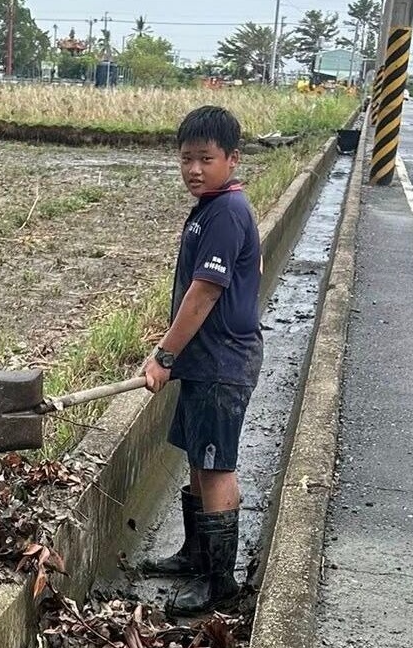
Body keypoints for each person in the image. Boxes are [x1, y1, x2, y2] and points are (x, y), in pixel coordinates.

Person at [140, 105, 263, 615]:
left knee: (215, 467)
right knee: (197, 455)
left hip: (221, 363)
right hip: (204, 360)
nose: (194, 169)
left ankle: (219, 581)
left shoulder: (227, 213)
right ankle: (195, 554)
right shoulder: (210, 208)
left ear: (232, 159)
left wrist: (165, 353)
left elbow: (204, 293)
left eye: (206, 159)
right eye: (186, 159)